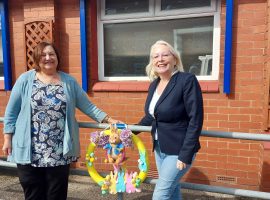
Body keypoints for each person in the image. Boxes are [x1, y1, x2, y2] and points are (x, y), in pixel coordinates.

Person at [2, 41, 119, 200]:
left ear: (57, 58)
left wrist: (108, 119)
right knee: (33, 194)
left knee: (56, 195)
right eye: (43, 55)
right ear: (37, 58)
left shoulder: (68, 82)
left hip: (59, 152)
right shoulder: (25, 80)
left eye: (51, 54)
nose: (48, 58)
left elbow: (88, 106)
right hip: (29, 151)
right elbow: (11, 112)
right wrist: (7, 139)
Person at [137, 40, 204, 200]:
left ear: (175, 59)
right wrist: (128, 131)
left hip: (179, 149)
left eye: (165, 55)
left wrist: (185, 154)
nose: (160, 59)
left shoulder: (186, 80)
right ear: (152, 62)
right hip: (160, 148)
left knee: (160, 195)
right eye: (156, 56)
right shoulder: (154, 85)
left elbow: (196, 119)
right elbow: (151, 116)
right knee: (172, 192)